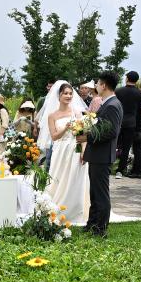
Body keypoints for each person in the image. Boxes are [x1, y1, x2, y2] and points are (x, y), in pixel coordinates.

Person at [76, 71, 123, 238]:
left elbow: (111, 132)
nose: (95, 86)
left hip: (102, 155)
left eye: (97, 83)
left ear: (104, 85)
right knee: (94, 192)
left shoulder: (112, 105)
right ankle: (92, 222)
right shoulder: (107, 103)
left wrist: (86, 136)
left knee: (101, 193)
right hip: (97, 154)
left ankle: (100, 228)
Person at [41, 81, 90, 226]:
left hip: (75, 149)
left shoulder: (76, 112)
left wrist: (84, 151)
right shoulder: (52, 115)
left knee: (76, 179)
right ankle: (57, 207)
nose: (68, 96)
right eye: (65, 93)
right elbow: (54, 136)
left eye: (70, 93)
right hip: (60, 151)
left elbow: (83, 133)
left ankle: (76, 210)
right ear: (59, 96)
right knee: (59, 179)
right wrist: (65, 128)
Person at [114, 71, 141, 178]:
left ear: (126, 79)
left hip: (118, 121)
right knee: (126, 148)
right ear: (137, 80)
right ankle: (120, 171)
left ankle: (107, 167)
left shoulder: (118, 91)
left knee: (113, 145)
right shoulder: (139, 93)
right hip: (131, 123)